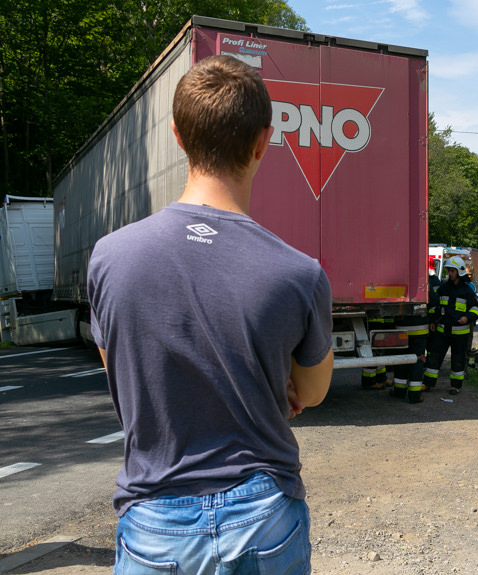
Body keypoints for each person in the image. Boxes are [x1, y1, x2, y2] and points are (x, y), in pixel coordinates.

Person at [87, 55, 334, 574]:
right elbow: (310, 393)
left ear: (178, 136)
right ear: (264, 141)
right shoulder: (300, 272)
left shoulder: (110, 257)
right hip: (264, 512)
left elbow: (122, 372)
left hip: (154, 513)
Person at [423, 255, 478, 395]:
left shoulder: (467, 291)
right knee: (434, 358)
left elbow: (477, 307)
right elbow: (435, 306)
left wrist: (467, 318)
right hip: (442, 330)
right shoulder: (443, 288)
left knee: (458, 360)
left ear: (460, 271)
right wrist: (432, 320)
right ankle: (428, 384)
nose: (450, 273)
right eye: (449, 270)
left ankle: (456, 386)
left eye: (452, 271)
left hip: (460, 333)